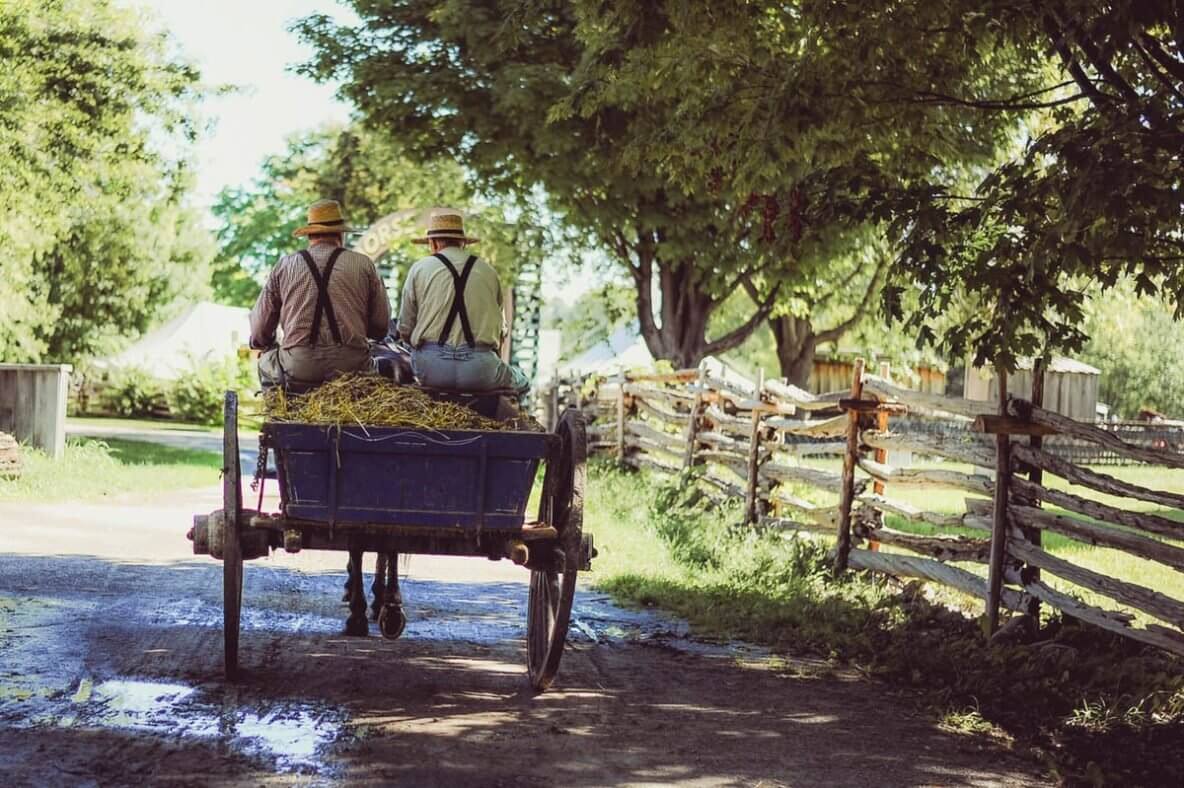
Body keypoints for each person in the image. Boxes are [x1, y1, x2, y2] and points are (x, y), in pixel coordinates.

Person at [250, 199, 391, 389]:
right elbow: (381, 326)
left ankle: (279, 411)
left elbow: (260, 329)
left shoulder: (284, 266)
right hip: (352, 369)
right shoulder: (364, 265)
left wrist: (264, 343)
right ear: (340, 234)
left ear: (310, 235)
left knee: (266, 361)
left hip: (299, 367)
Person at [396, 208, 528, 393]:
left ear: (432, 244)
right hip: (480, 370)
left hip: (431, 369)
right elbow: (501, 332)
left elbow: (405, 329)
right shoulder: (488, 271)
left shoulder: (419, 269)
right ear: (463, 243)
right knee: (522, 381)